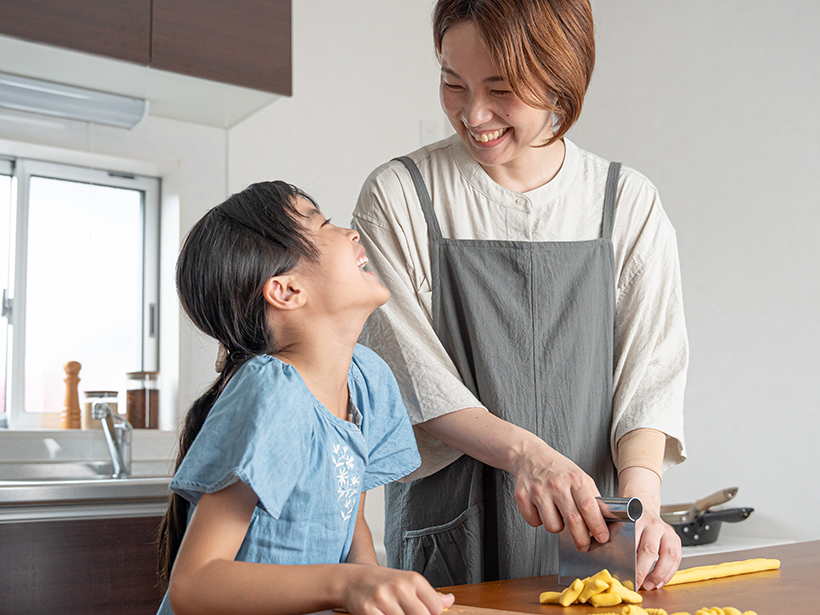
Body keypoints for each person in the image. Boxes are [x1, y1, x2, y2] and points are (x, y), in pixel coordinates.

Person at [352, 0, 688, 591]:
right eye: (452, 83)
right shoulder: (402, 195)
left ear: (560, 80)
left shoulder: (626, 203)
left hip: (595, 538)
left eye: (501, 88)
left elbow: (649, 377)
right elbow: (410, 377)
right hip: (449, 537)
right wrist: (527, 457)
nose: (473, 113)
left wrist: (643, 505)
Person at [155, 181, 455, 615]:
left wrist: (370, 582)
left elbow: (351, 525)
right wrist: (348, 584)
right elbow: (194, 584)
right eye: (324, 224)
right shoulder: (271, 391)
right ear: (287, 291)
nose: (350, 232)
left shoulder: (368, 379)